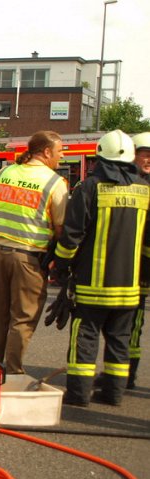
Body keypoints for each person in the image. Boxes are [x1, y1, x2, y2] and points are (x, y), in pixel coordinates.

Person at [53, 130, 150, 406]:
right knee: (120, 341)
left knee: (85, 337)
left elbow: (72, 236)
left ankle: (79, 394)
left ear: (99, 156)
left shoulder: (88, 188)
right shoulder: (145, 191)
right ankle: (113, 394)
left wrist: (60, 266)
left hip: (91, 286)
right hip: (129, 287)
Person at [0, 131, 68, 374]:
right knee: (23, 317)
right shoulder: (54, 183)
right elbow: (60, 229)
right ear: (47, 152)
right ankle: (14, 370)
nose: (61, 158)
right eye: (59, 152)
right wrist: (60, 260)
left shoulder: (5, 173)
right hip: (29, 258)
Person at [126, 131, 150, 388]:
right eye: (146, 154)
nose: (149, 160)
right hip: (132, 266)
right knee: (133, 323)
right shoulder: (130, 183)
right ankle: (127, 374)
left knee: (133, 322)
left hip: (142, 266)